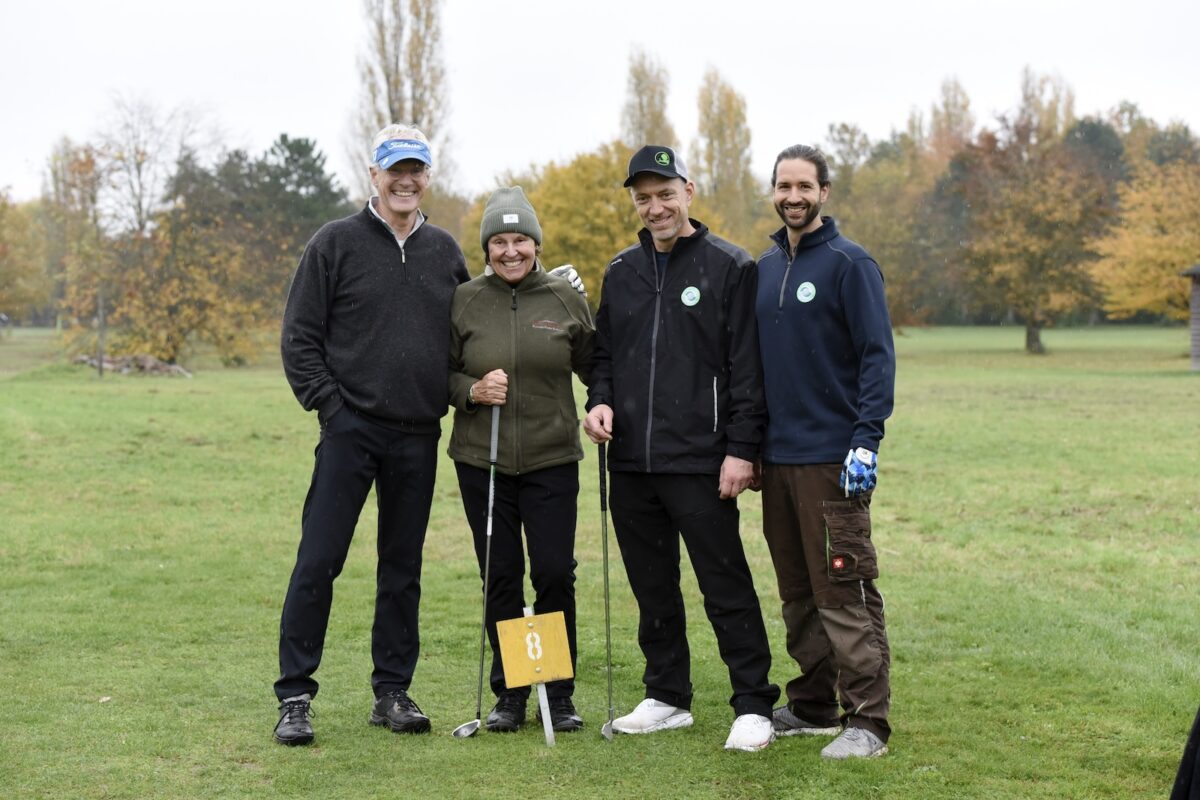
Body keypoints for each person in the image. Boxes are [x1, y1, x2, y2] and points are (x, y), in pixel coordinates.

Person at [273, 124, 469, 745]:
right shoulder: (334, 243)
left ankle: (392, 692)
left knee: (402, 568)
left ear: (427, 176)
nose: (405, 180)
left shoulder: (444, 253)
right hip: (350, 431)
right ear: (374, 175)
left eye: (416, 169)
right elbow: (299, 339)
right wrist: (333, 409)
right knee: (319, 560)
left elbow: (469, 335)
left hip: (417, 434)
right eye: (394, 170)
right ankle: (296, 696)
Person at [582, 145, 780, 752]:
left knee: (724, 582)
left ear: (688, 192)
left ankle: (753, 703)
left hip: (703, 458)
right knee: (652, 587)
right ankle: (667, 695)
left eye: (666, 194)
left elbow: (748, 369)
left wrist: (742, 450)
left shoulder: (730, 266)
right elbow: (605, 357)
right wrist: (599, 400)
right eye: (644, 197)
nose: (656, 206)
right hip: (633, 461)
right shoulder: (621, 271)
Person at [754, 144, 895, 759]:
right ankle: (812, 704)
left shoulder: (849, 264)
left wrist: (866, 439)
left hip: (834, 461)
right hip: (777, 461)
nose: (793, 196)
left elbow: (876, 357)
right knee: (797, 593)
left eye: (804, 186)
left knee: (843, 590)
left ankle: (867, 720)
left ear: (824, 192)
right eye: (784, 185)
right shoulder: (762, 268)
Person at [448, 187, 594, 734]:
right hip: (481, 461)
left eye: (521, 241)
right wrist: (471, 390)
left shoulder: (563, 298)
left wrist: (600, 401)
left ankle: (557, 693)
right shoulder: (464, 300)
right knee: (501, 575)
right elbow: (439, 374)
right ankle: (510, 690)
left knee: (554, 573)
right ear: (487, 248)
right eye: (499, 242)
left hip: (551, 457)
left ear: (536, 244)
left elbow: (593, 363)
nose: (511, 251)